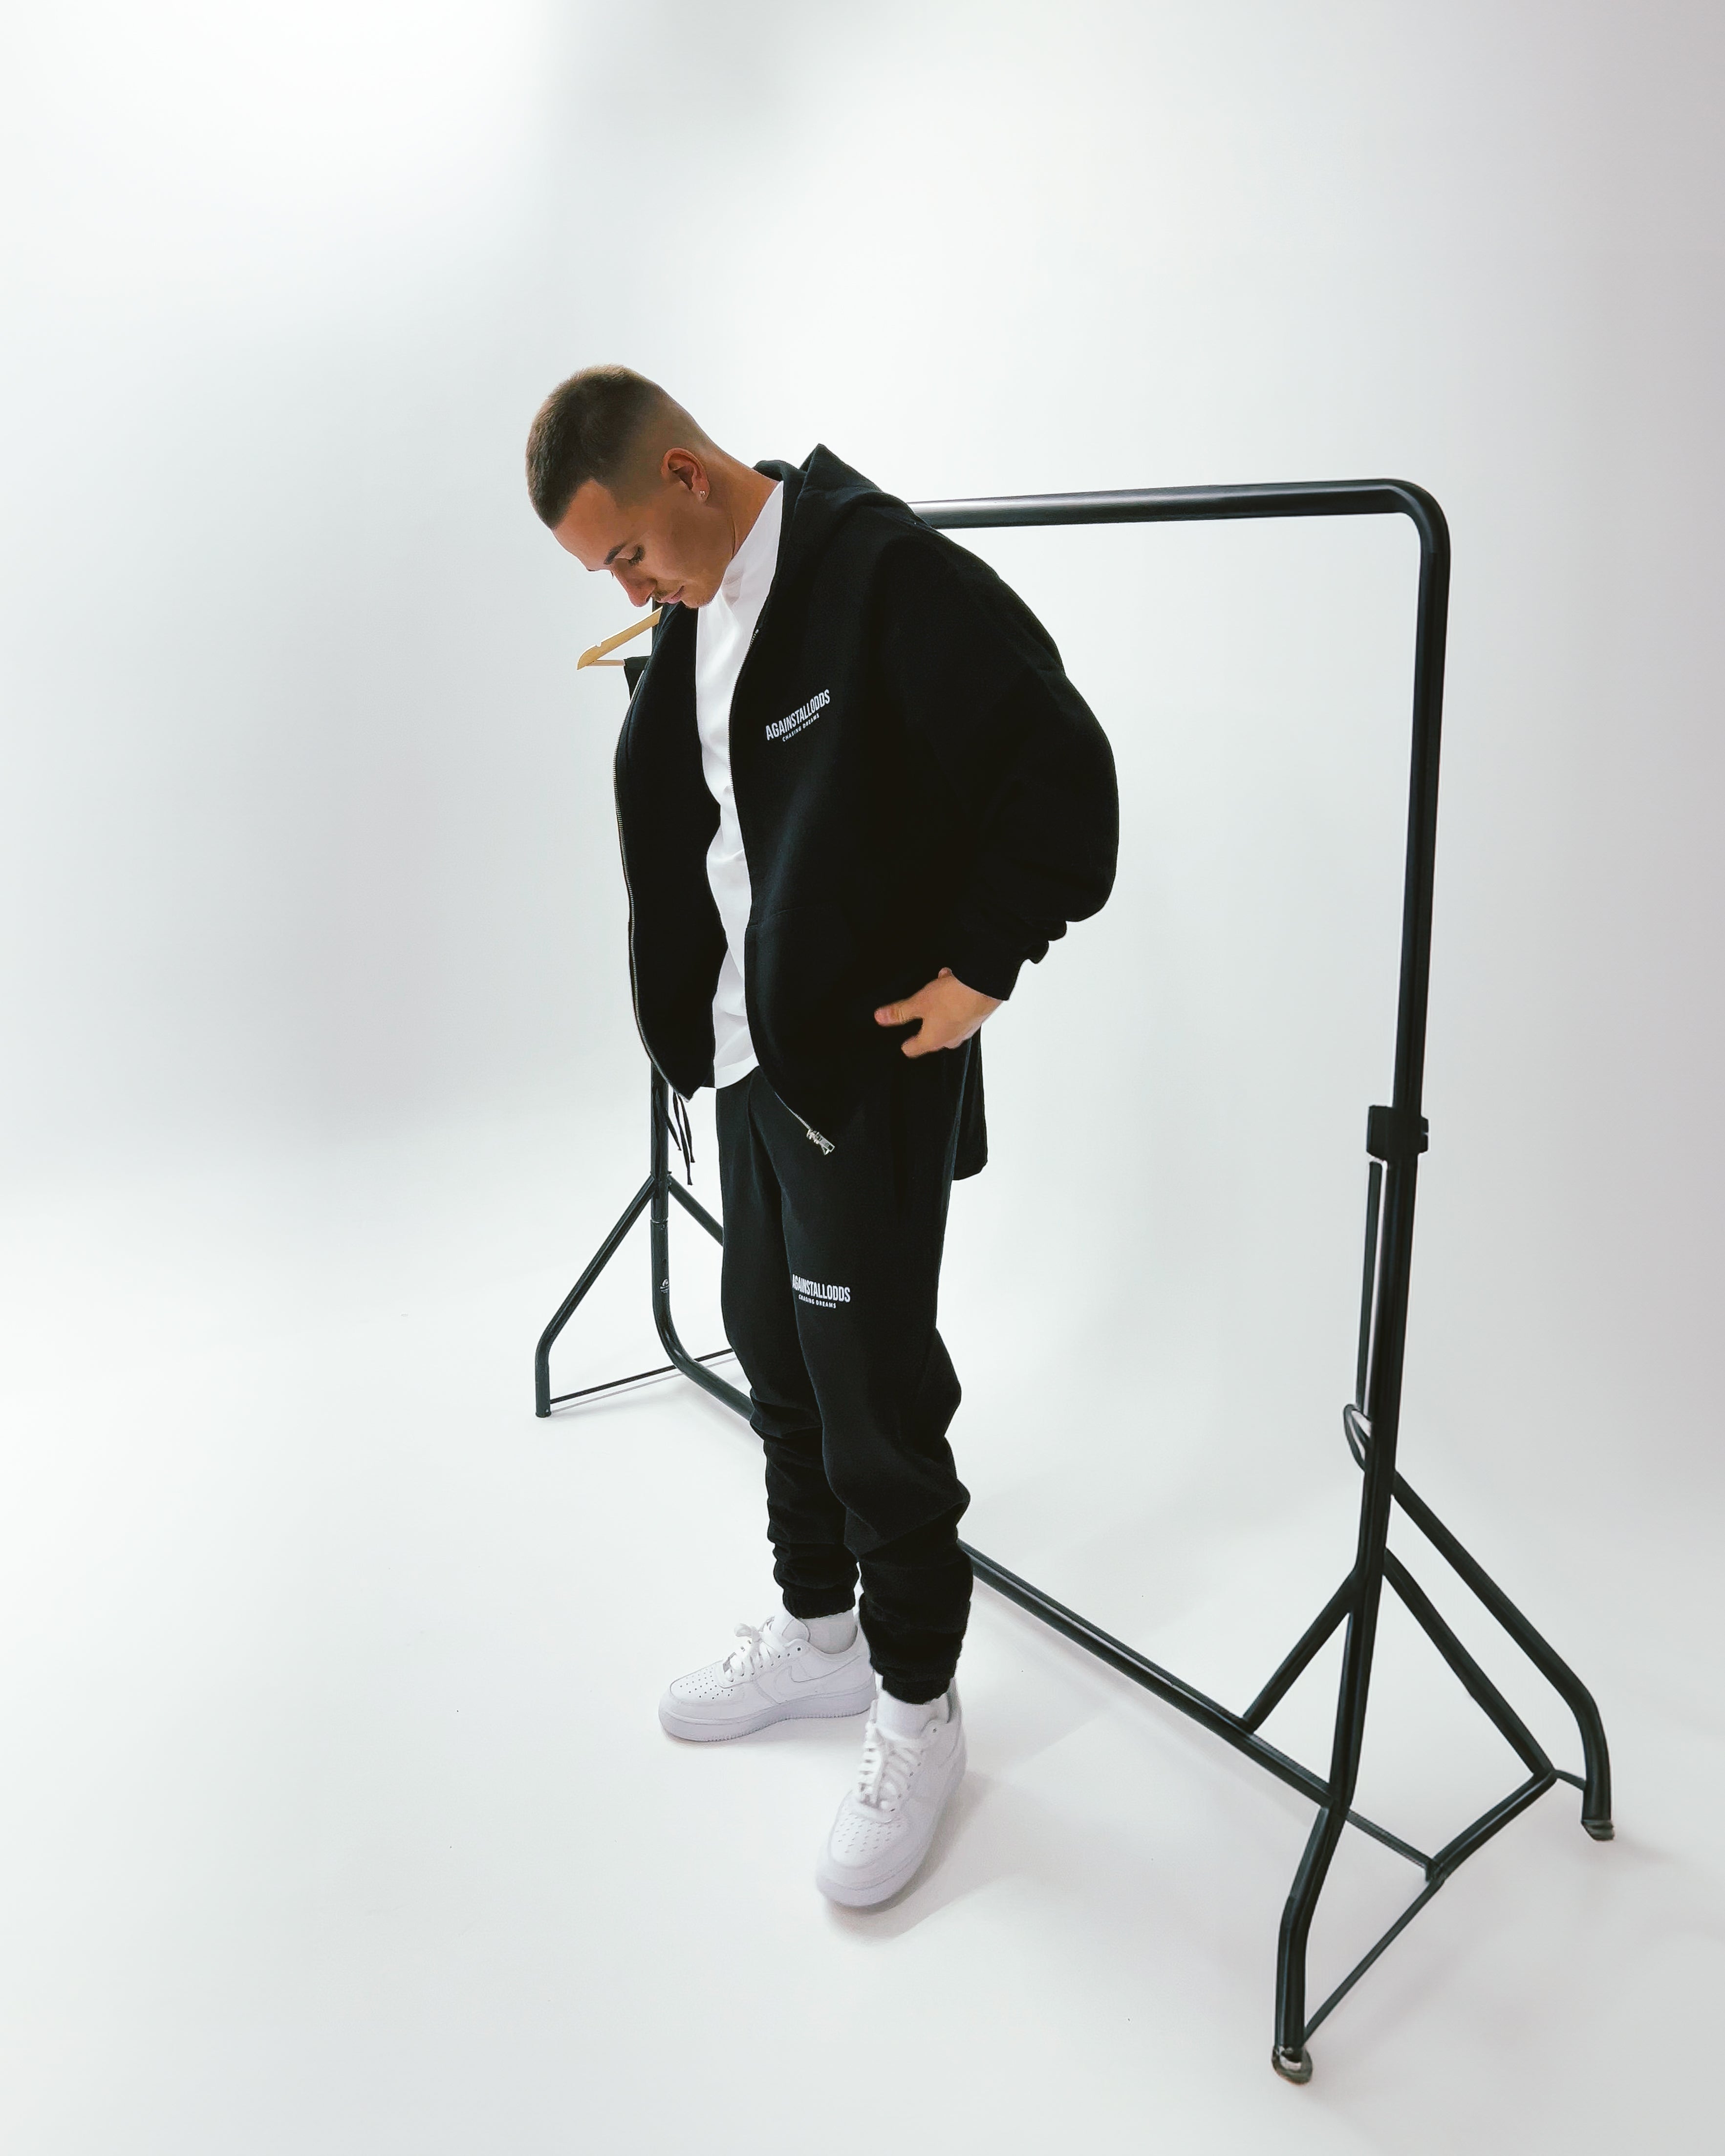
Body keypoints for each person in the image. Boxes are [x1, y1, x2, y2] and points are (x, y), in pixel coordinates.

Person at [525, 367, 1117, 1906]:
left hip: (863, 1068)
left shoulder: (885, 576)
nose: (629, 591)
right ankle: (818, 1634)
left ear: (685, 474)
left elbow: (1061, 770)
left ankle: (918, 1705)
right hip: (748, 1057)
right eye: (607, 576)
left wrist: (983, 963)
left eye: (627, 553)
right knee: (773, 1355)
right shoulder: (699, 603)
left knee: (871, 1395)